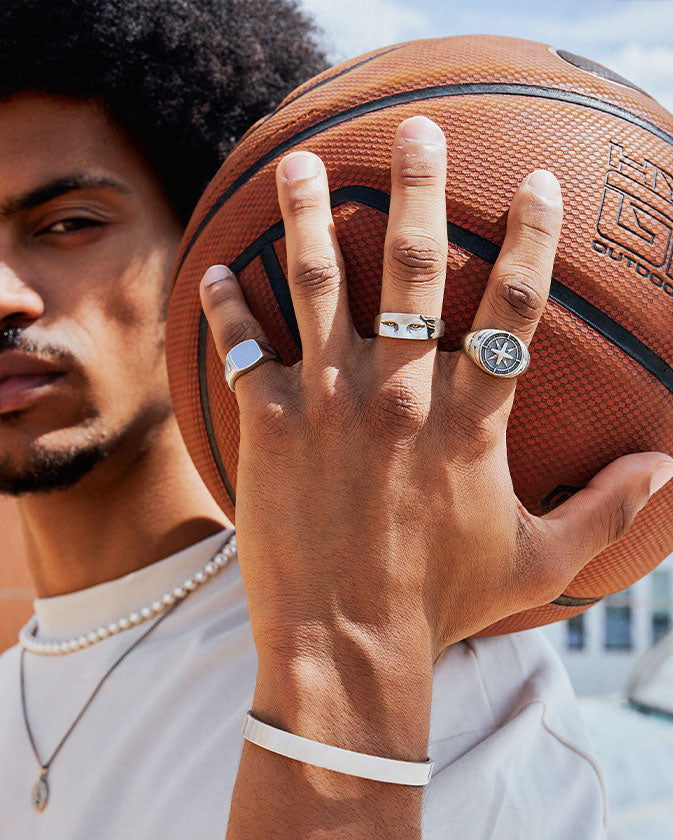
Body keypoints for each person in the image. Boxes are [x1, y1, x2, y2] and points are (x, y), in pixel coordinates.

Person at [1, 0, 671, 837]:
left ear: (209, 248)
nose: (4, 294)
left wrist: (354, 658)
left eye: (68, 224)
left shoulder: (455, 694)